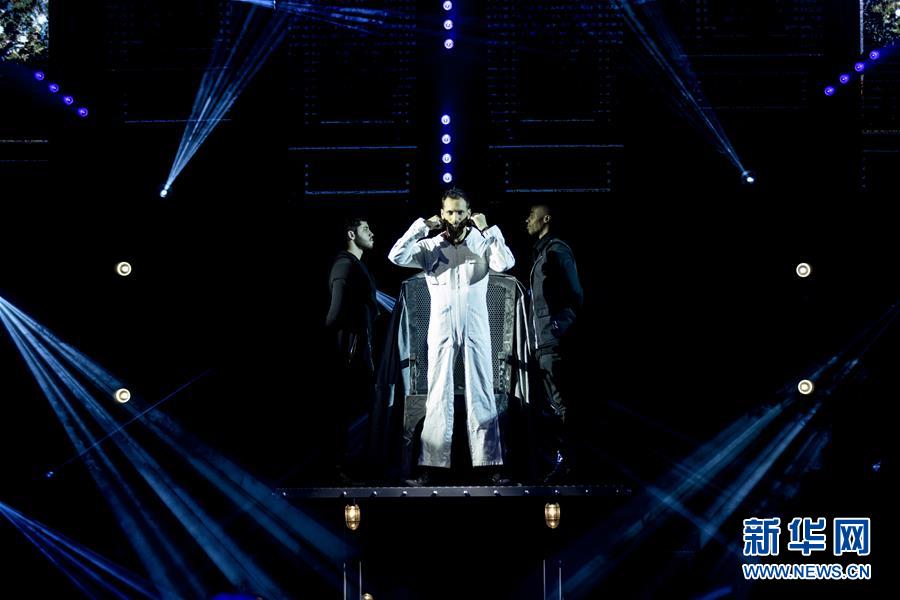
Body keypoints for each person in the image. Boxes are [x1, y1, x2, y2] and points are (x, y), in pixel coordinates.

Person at [389, 188, 515, 485]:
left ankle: (490, 466)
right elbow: (396, 256)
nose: (455, 218)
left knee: (482, 392)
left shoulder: (482, 241)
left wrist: (488, 229)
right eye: (449, 212)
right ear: (442, 213)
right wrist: (421, 226)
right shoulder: (430, 246)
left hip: (476, 327)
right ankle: (430, 468)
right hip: (442, 328)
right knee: (438, 394)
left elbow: (505, 263)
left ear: (469, 213)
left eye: (460, 212)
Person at [525, 204, 583, 483]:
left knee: (559, 404)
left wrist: (559, 326)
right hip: (542, 341)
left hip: (552, 340)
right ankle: (558, 461)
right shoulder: (541, 252)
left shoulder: (557, 250)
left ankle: (568, 463)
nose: (527, 220)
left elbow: (575, 294)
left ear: (545, 218)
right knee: (549, 405)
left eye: (531, 216)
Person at [324, 218, 377, 484]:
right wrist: (342, 350)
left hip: (357, 352)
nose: (372, 233)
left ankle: (351, 467)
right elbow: (334, 315)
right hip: (349, 355)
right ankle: (340, 468)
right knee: (347, 411)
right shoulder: (345, 265)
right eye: (366, 229)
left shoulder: (355, 266)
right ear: (351, 234)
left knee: (357, 411)